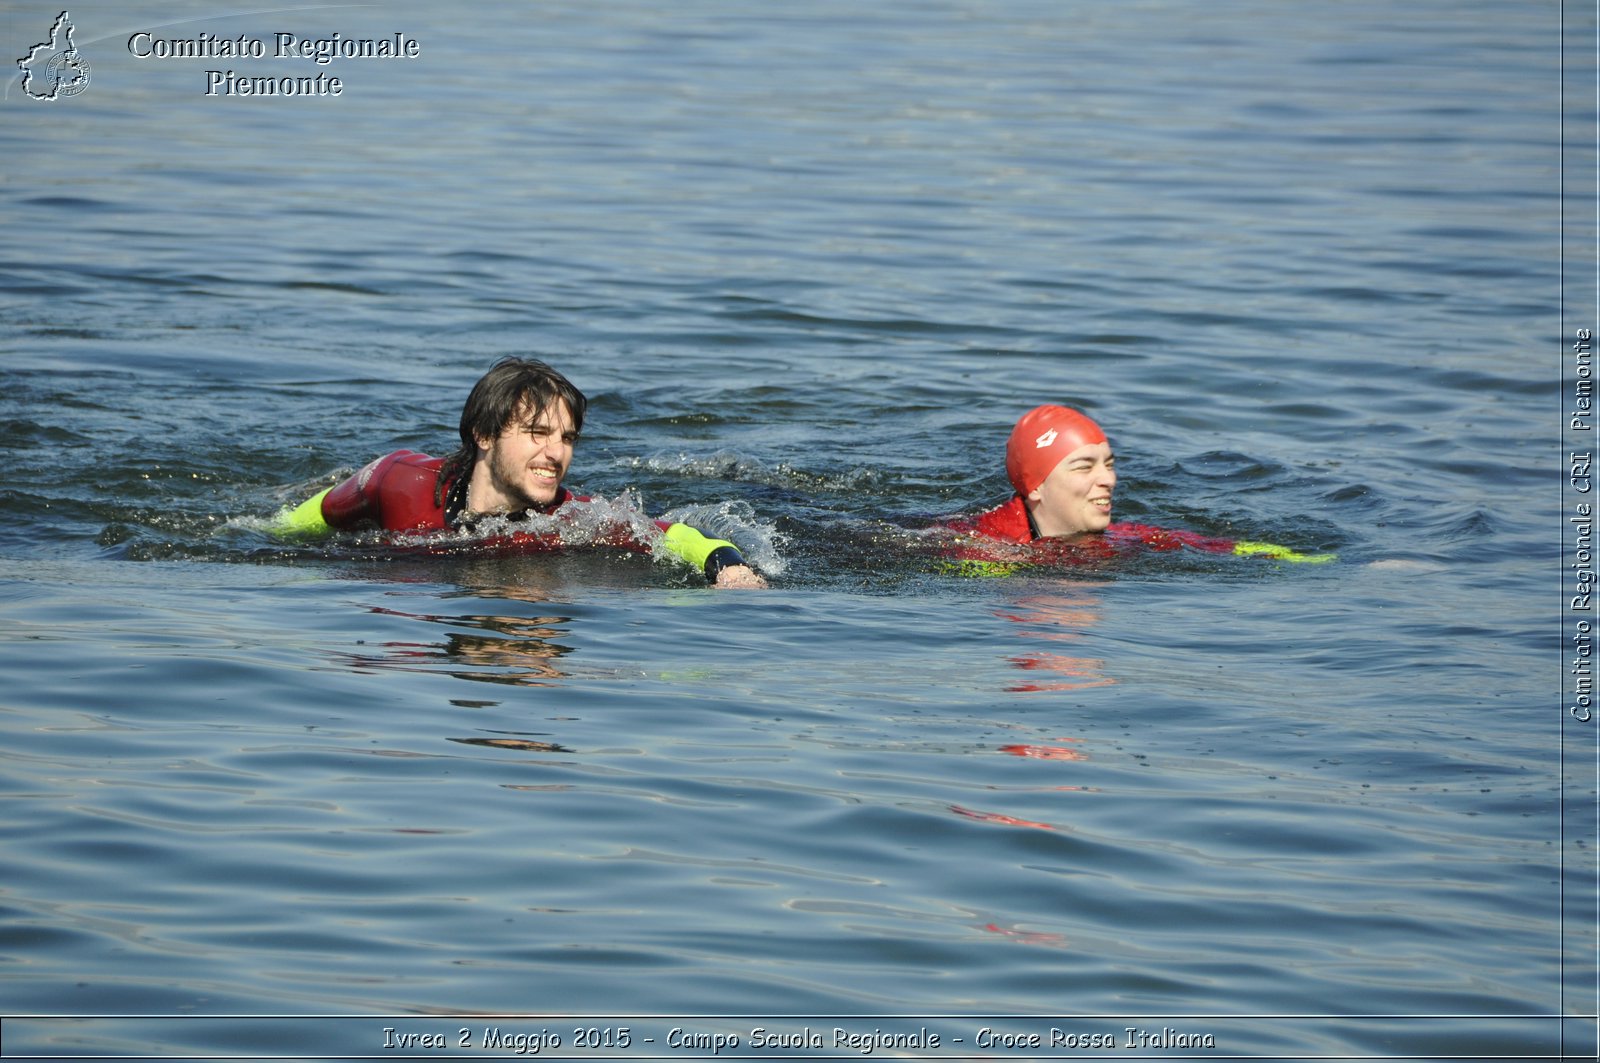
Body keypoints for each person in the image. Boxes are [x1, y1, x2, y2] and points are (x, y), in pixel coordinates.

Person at [272, 357, 768, 588]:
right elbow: (314, 514)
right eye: (536, 433)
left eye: (567, 438)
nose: (556, 454)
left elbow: (674, 533)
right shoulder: (398, 480)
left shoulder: (573, 521)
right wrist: (269, 538)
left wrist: (727, 565)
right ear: (484, 435)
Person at [943, 404, 1334, 566]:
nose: (1108, 479)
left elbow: (1221, 548)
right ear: (1035, 487)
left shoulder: (1128, 537)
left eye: (1109, 464)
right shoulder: (977, 545)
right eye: (1085, 467)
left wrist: (1317, 560)